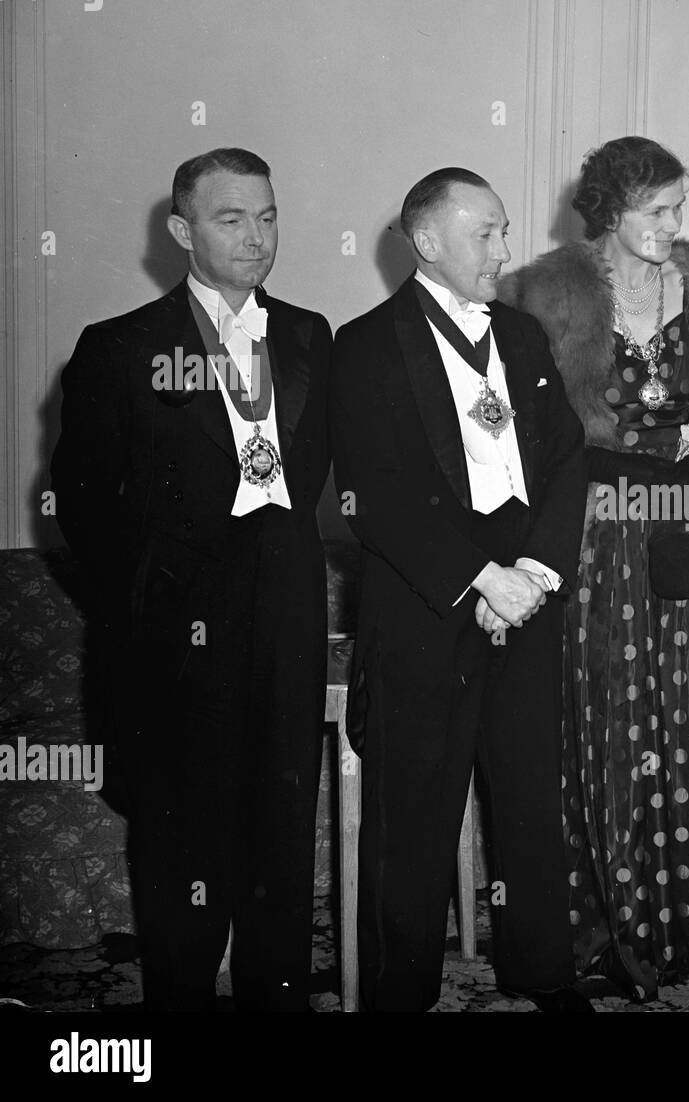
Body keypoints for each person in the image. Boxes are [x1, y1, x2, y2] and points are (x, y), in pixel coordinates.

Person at [499, 136, 689, 1000]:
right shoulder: (543, 296)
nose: (673, 225)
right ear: (611, 211)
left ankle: (686, 930)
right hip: (590, 537)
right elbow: (519, 430)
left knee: (686, 716)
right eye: (656, 209)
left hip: (683, 531)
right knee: (599, 720)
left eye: (678, 208)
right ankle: (600, 934)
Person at [50, 148, 332, 1011]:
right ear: (182, 232)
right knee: (183, 849)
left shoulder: (308, 335)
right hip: (175, 639)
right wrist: (145, 610)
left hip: (286, 616)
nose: (257, 237)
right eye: (230, 218)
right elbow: (79, 509)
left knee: (283, 836)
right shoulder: (120, 348)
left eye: (269, 216)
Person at [329, 168, 590, 1012]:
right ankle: (400, 994)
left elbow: (566, 457)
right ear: (427, 240)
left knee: (527, 797)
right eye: (486, 233)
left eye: (504, 230)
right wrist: (479, 578)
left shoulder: (523, 333)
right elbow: (372, 493)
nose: (504, 250)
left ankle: (544, 971)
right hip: (425, 610)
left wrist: (535, 576)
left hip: (528, 601)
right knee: (412, 820)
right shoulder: (364, 345)